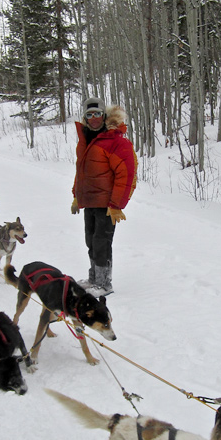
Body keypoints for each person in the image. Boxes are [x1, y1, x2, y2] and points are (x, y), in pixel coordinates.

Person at [71, 96, 137, 296]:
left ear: (104, 115)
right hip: (90, 201)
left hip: (107, 204)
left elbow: (126, 173)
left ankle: (104, 284)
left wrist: (116, 204)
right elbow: (81, 171)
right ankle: (94, 279)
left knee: (102, 242)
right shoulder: (87, 139)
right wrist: (76, 196)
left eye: (97, 114)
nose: (93, 118)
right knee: (90, 240)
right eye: (89, 115)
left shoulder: (115, 141)